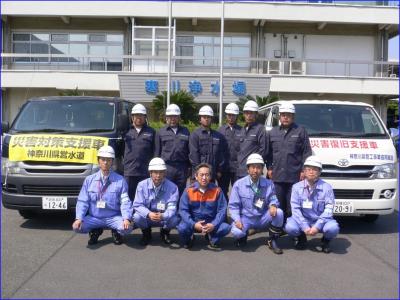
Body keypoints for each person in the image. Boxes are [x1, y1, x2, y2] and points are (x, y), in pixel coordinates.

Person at [72, 146, 133, 245]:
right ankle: (95, 230)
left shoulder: (120, 180)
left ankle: (116, 231)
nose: (105, 162)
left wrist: (126, 218)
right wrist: (79, 218)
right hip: (94, 218)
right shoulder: (89, 180)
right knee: (77, 227)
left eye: (108, 160)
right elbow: (83, 201)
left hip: (113, 218)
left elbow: (125, 201)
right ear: (98, 161)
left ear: (112, 162)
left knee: (128, 227)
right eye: (103, 159)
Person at [229, 153, 284, 254]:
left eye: (258, 167)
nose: (255, 170)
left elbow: (273, 198)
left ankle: (273, 240)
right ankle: (243, 236)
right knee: (237, 232)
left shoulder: (268, 183)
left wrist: (273, 205)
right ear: (248, 169)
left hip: (262, 217)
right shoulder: (239, 184)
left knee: (279, 213)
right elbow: (233, 206)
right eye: (253, 167)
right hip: (246, 218)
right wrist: (237, 220)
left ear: (262, 169)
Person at [266, 101, 312, 219]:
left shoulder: (300, 131)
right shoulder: (273, 132)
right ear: (280, 116)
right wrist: (269, 168)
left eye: (288, 115)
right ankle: (278, 229)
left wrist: (303, 171)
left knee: (293, 205)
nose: (285, 117)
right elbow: (269, 153)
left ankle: (293, 230)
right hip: (277, 176)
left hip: (295, 176)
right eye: (283, 114)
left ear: (293, 116)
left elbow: (306, 153)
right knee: (278, 204)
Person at [285, 156, 339, 253]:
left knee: (333, 228)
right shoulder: (296, 187)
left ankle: (325, 241)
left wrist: (317, 226)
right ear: (304, 172)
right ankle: (301, 237)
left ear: (319, 172)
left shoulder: (327, 188)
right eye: (308, 169)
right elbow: (295, 209)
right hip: (303, 219)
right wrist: (305, 226)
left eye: (314, 169)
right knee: (290, 227)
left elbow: (329, 209)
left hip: (320, 220)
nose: (311, 172)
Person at [177, 163, 231, 250]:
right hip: (193, 222)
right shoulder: (188, 191)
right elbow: (183, 210)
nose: (204, 178)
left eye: (207, 175)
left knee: (226, 227)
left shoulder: (217, 191)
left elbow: (222, 210)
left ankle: (212, 239)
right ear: (196, 176)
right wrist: (193, 224)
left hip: (210, 223)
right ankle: (189, 239)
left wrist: (213, 224)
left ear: (210, 176)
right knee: (182, 228)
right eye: (201, 175)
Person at [133, 157, 180, 246]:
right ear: (150, 173)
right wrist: (149, 214)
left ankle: (165, 232)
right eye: (155, 172)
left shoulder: (173, 187)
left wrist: (163, 215)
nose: (158, 175)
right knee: (136, 217)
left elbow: (172, 207)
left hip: (163, 218)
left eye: (161, 172)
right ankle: (146, 233)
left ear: (165, 173)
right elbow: (137, 204)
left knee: (175, 219)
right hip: (148, 217)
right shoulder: (141, 185)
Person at [155, 104, 190, 196]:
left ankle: (179, 210)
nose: (172, 119)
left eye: (175, 116)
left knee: (181, 192)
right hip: (167, 167)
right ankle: (167, 210)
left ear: (179, 118)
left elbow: (189, 150)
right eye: (170, 117)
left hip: (182, 167)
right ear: (166, 118)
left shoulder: (185, 131)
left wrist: (190, 168)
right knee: (166, 191)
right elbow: (157, 152)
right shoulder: (161, 132)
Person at [123, 103, 156, 201]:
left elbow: (155, 151)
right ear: (132, 117)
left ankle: (143, 215)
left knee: (145, 196)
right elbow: (121, 150)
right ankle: (129, 215)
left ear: (145, 117)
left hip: (145, 171)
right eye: (136, 115)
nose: (138, 118)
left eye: (141, 115)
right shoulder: (125, 131)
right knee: (128, 196)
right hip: (130, 171)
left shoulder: (151, 132)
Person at [189, 105, 226, 182]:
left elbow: (221, 154)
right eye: (204, 117)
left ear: (211, 119)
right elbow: (193, 155)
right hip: (198, 175)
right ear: (200, 119)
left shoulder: (218, 136)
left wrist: (219, 170)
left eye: (208, 117)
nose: (206, 119)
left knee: (211, 194)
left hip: (212, 174)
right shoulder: (195, 135)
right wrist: (199, 171)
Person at [236, 100, 267, 180]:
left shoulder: (260, 129)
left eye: (251, 113)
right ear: (244, 114)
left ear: (256, 114)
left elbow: (264, 150)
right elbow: (239, 150)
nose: (248, 115)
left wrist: (255, 166)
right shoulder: (242, 129)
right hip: (240, 170)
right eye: (246, 113)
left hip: (252, 172)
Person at [218, 103, 242, 200]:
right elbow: (217, 151)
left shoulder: (242, 130)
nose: (231, 117)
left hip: (238, 167)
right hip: (224, 168)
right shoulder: (220, 131)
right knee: (222, 191)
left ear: (237, 116)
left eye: (233, 115)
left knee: (239, 191)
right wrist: (218, 168)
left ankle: (237, 214)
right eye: (229, 115)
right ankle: (223, 214)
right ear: (226, 115)